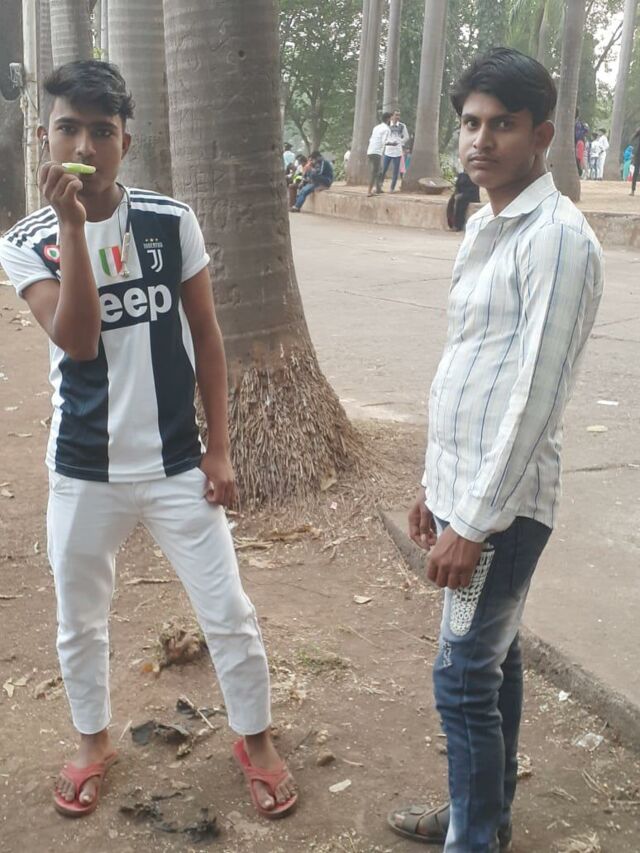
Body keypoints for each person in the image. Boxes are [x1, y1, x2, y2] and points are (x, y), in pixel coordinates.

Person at [0, 60, 297, 820]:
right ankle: (92, 742)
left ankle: (255, 741)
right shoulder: (27, 241)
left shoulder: (170, 221)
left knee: (228, 610)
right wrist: (73, 229)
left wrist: (219, 448)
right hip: (82, 468)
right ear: (44, 137)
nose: (85, 146)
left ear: (125, 142)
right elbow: (78, 341)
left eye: (102, 131)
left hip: (175, 463)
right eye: (69, 128)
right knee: (80, 618)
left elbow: (207, 334)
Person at [388, 47, 603, 853]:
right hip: (468, 489)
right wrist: (434, 486)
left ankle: (473, 836)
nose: (481, 140)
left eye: (502, 124)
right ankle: (484, 817)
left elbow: (535, 397)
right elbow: (471, 367)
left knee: (461, 674)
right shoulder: (487, 223)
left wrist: (473, 522)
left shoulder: (557, 239)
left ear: (541, 135)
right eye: (471, 124)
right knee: (493, 659)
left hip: (504, 510)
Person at [381, 108, 410, 191]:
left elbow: (406, 137)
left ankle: (392, 188)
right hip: (388, 151)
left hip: (397, 152)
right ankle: (379, 186)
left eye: (399, 115)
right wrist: (387, 142)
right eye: (396, 115)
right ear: (392, 116)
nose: (398, 117)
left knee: (395, 171)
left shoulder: (402, 126)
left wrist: (400, 142)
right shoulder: (387, 125)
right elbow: (383, 136)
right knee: (384, 169)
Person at [365, 112, 392, 196]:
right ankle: (369, 191)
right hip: (376, 152)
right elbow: (384, 141)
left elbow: (371, 139)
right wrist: (392, 144)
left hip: (370, 150)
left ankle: (378, 188)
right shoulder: (386, 129)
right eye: (391, 118)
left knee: (379, 170)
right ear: (388, 119)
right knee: (375, 171)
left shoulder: (376, 127)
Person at [630, 127, 640, 195]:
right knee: (636, 172)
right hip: (638, 154)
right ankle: (633, 190)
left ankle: (633, 190)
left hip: (638, 154)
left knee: (636, 172)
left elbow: (632, 138)